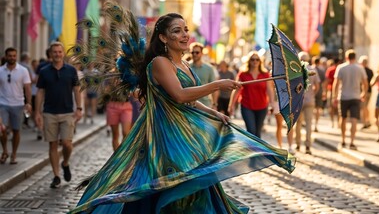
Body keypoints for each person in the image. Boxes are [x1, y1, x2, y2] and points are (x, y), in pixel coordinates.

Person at [70, 13, 294, 213]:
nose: (185, 34)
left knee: (195, 186)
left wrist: (212, 112)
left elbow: (191, 100)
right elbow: (179, 95)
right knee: (175, 189)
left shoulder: (184, 64)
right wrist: (216, 85)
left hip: (188, 137)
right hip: (167, 138)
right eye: (177, 31)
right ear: (163, 38)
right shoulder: (160, 63)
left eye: (186, 29)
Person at [35, 42, 83, 188]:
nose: (57, 54)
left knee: (67, 144)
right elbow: (40, 92)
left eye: (59, 52)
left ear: (63, 53)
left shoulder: (71, 70)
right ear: (50, 54)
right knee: (53, 144)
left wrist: (79, 108)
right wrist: (37, 112)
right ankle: (56, 176)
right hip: (49, 112)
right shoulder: (44, 71)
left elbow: (76, 89)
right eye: (54, 52)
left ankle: (65, 163)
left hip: (67, 112)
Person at [228, 51, 275, 139]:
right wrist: (231, 105)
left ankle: (257, 151)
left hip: (262, 106)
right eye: (252, 59)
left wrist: (272, 103)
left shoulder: (265, 74)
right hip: (247, 105)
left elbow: (269, 89)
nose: (255, 61)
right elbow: (237, 90)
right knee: (251, 130)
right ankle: (251, 150)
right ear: (249, 61)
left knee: (257, 132)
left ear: (260, 61)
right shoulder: (243, 74)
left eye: (257, 59)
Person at [0, 48, 32, 165]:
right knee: (2, 129)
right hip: (3, 104)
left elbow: (27, 88)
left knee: (16, 130)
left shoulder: (23, 70)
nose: (12, 58)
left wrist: (28, 103)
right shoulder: (1, 70)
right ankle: (4, 151)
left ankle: (14, 154)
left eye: (14, 56)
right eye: (10, 56)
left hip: (18, 104)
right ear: (6, 56)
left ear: (16, 56)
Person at [333, 50, 367, 150]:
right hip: (356, 97)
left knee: (343, 119)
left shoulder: (341, 67)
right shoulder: (360, 68)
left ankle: (343, 140)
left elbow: (336, 83)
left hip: (343, 97)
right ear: (355, 57)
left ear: (346, 57)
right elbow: (365, 83)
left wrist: (334, 97)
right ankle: (352, 142)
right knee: (354, 120)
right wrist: (363, 93)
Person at [294, 52, 320, 155]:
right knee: (309, 124)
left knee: (298, 123)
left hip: (298, 100)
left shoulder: (296, 70)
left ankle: (298, 144)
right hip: (310, 100)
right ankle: (308, 146)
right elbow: (317, 85)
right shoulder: (313, 69)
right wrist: (312, 93)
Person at [189, 42, 218, 107]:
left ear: (202, 53)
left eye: (197, 52)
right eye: (192, 52)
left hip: (205, 104)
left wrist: (215, 104)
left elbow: (214, 87)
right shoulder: (186, 67)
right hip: (189, 105)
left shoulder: (209, 68)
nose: (194, 54)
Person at [312, 56, 326, 132]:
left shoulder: (310, 69)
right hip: (319, 90)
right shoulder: (322, 70)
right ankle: (316, 124)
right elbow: (324, 82)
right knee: (318, 108)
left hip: (311, 91)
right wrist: (324, 92)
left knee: (312, 108)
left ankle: (311, 122)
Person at [359, 56, 374, 129]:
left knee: (363, 107)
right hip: (369, 91)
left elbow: (363, 82)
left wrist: (363, 92)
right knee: (366, 107)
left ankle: (365, 122)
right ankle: (367, 121)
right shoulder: (370, 71)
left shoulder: (361, 70)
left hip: (363, 91)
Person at [325, 59, 339, 127]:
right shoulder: (340, 69)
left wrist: (325, 91)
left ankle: (332, 122)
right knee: (338, 108)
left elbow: (327, 81)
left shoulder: (330, 70)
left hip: (331, 90)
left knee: (331, 107)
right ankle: (338, 122)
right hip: (339, 91)